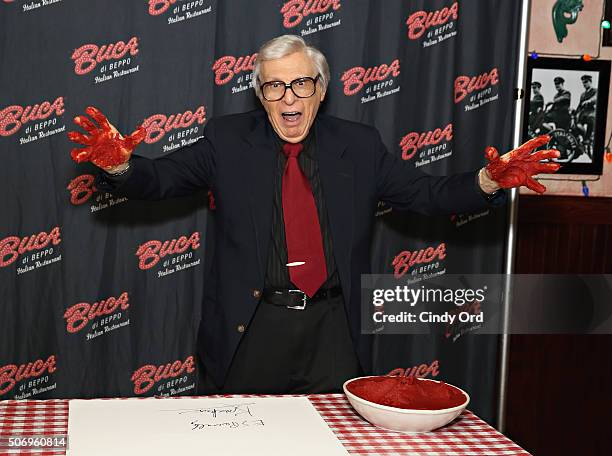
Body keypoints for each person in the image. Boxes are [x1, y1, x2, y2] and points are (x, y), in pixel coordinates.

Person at [68, 35, 560, 394]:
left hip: (333, 329)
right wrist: (121, 165)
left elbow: (427, 194)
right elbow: (159, 180)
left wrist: (489, 181)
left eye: (301, 84)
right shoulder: (225, 141)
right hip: (255, 327)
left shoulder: (360, 146)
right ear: (260, 96)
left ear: (321, 90)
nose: (288, 99)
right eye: (274, 87)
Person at [576, 74, 597, 142]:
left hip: (591, 111)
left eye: (586, 82)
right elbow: (579, 106)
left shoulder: (595, 90)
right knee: (576, 124)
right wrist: (574, 112)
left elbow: (595, 98)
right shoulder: (583, 94)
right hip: (583, 113)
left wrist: (589, 101)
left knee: (591, 119)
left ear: (590, 82)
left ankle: (588, 138)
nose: (584, 84)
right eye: (583, 83)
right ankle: (583, 137)